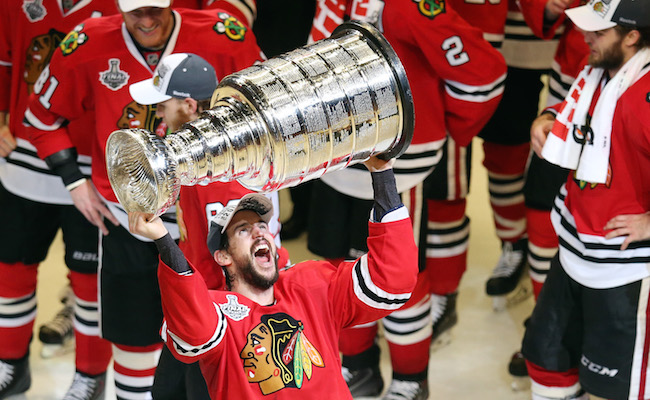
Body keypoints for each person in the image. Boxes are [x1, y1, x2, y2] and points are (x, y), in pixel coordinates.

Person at [23, 1, 263, 398]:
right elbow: (39, 117)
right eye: (137, 11)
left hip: (210, 231)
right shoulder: (86, 42)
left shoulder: (224, 35)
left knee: (216, 350)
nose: (148, 19)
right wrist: (74, 182)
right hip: (130, 224)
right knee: (137, 343)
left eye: (156, 8)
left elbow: (272, 119)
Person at [309, 0, 506, 398]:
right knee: (340, 272)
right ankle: (359, 367)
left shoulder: (408, 7)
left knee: (400, 278)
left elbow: (483, 74)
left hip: (393, 163)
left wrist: (440, 125)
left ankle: (411, 379)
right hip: (330, 160)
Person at [127, 154, 419, 399]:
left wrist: (382, 175)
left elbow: (390, 281)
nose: (259, 231)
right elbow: (192, 330)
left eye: (262, 226)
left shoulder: (312, 284)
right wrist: (162, 240)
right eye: (243, 229)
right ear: (223, 257)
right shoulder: (219, 314)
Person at [128, 51, 286, 399]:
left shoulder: (215, 173)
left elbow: (244, 255)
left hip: (216, 314)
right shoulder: (216, 153)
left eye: (162, 105)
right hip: (198, 303)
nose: (158, 115)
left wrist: (217, 312)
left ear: (188, 106)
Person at [521, 1, 650, 398]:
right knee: (546, 362)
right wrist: (546, 117)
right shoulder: (599, 71)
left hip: (627, 268)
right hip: (575, 247)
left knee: (622, 387)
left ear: (632, 37)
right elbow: (586, 114)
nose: (585, 37)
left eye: (599, 31)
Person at [0, 1, 119, 398]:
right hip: (22, 154)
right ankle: (11, 365)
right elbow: (4, 59)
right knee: (11, 271)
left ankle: (90, 376)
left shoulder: (126, 7)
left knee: (90, 283)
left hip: (92, 166)